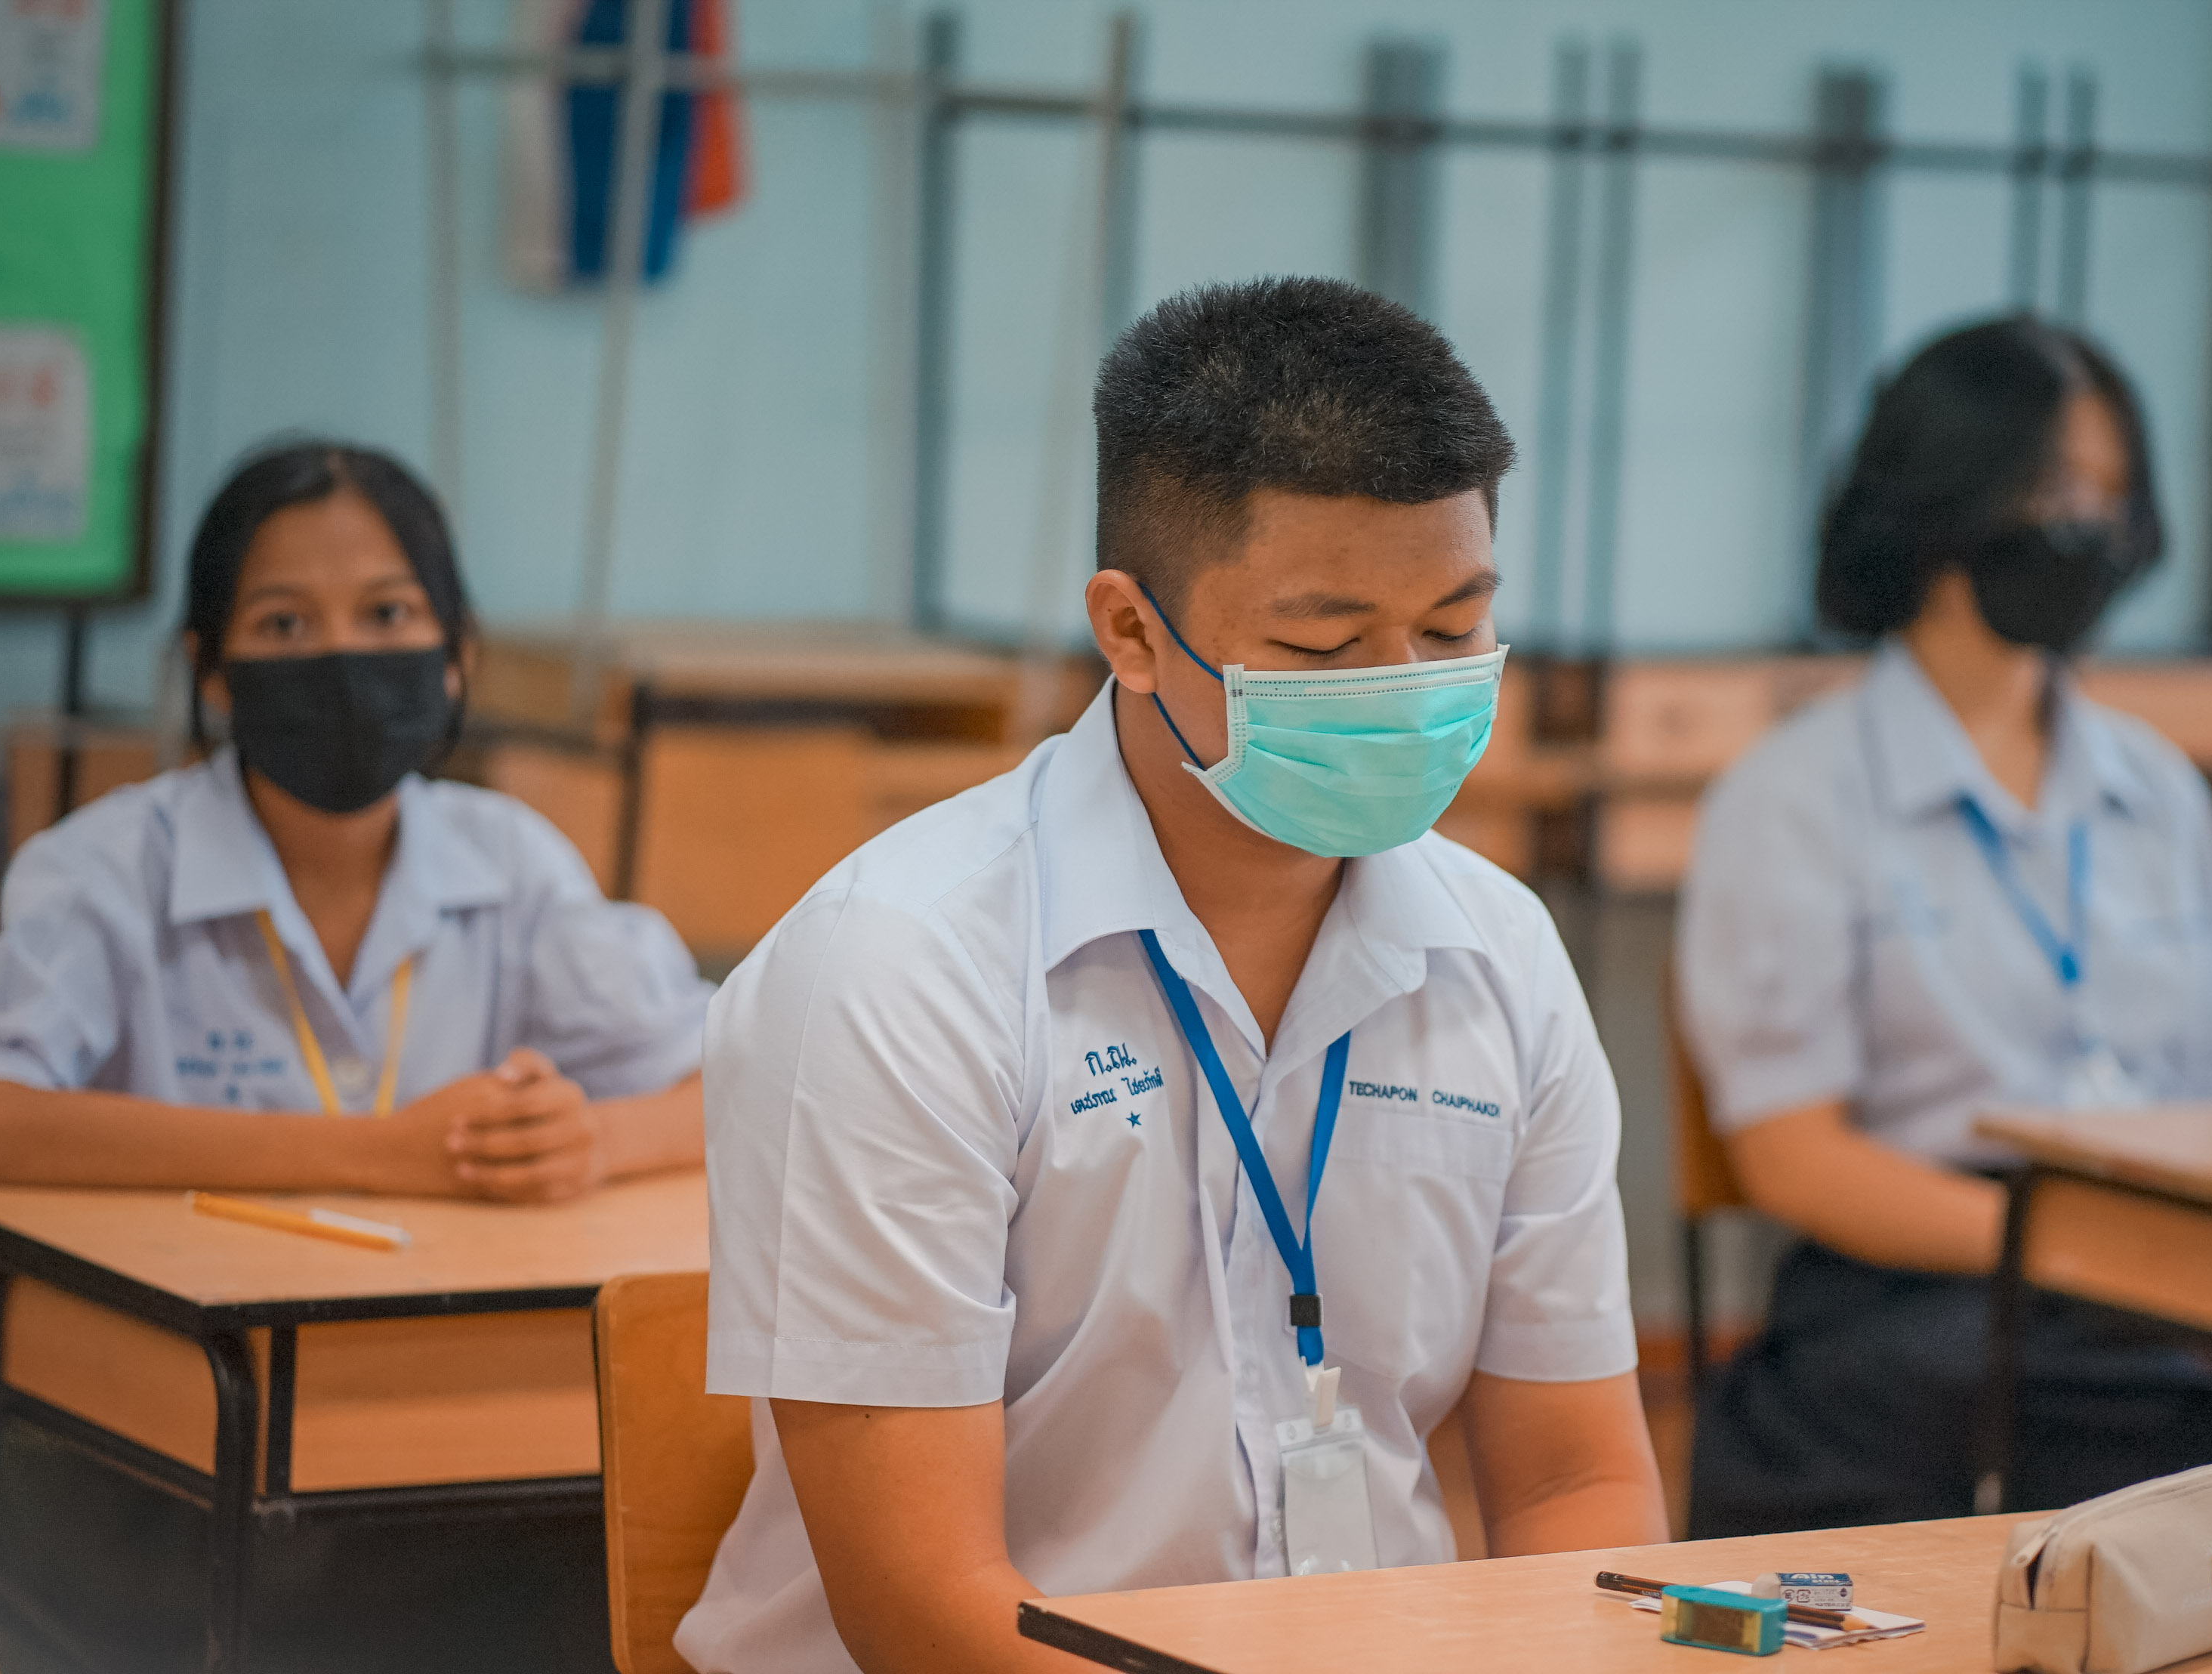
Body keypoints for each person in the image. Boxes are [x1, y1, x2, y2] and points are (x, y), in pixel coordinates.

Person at [680, 277, 1666, 1674]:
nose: (1402, 689)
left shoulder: (1496, 954)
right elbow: (925, 1609)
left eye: (1452, 631)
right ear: (1133, 632)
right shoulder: (898, 967)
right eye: (1325, 645)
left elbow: (1577, 1482)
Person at [1674, 317, 2212, 1626]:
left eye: (2111, 496)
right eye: (2052, 494)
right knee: (2195, 1496)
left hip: (2170, 1280)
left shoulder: (2157, 791)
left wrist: (2201, 1272)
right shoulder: (1795, 795)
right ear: (1943, 502)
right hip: (1926, 1287)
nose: (2090, 530)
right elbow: (1795, 1161)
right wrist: (2079, 1254)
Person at [0, 440, 708, 1202]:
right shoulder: (105, 867)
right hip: (182, 1291)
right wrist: (381, 1154)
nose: (342, 657)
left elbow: (723, 1083)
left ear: (457, 654)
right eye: (284, 624)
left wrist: (590, 1141)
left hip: (446, 1289)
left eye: (387, 613)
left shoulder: (514, 861)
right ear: (210, 670)